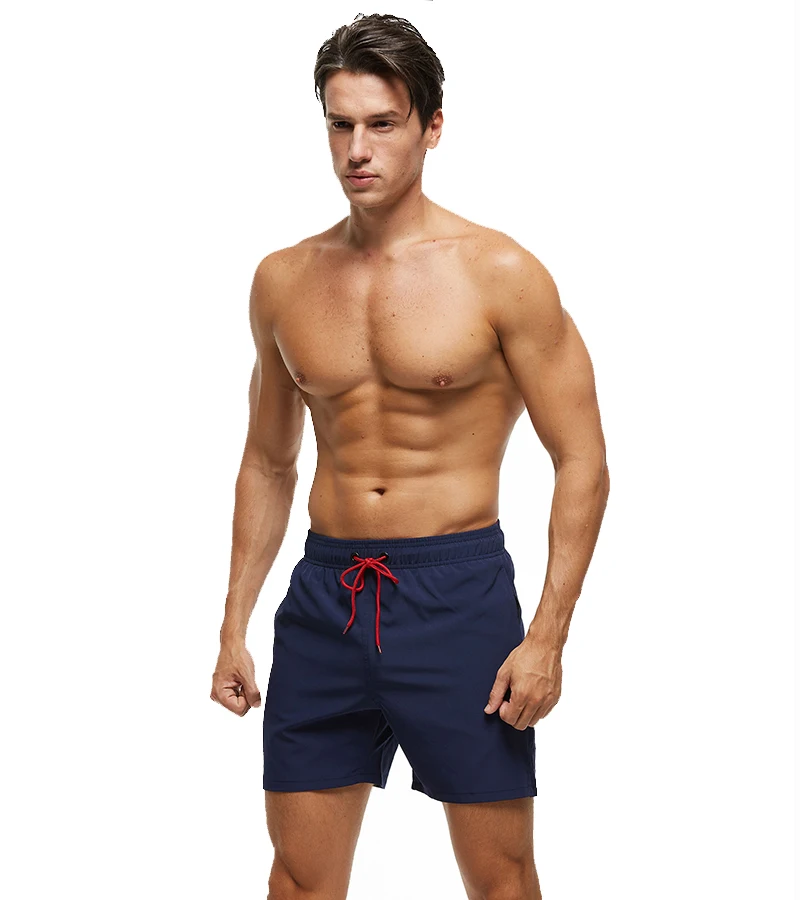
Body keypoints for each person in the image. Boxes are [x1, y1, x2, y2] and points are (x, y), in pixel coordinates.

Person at [210, 12, 609, 900]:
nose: (357, 149)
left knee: (500, 879)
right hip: (325, 601)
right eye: (340, 124)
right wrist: (234, 623)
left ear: (432, 127)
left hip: (457, 597)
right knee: (299, 878)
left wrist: (547, 637)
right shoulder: (282, 279)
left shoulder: (501, 273)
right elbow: (268, 461)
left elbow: (582, 458)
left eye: (383, 124)